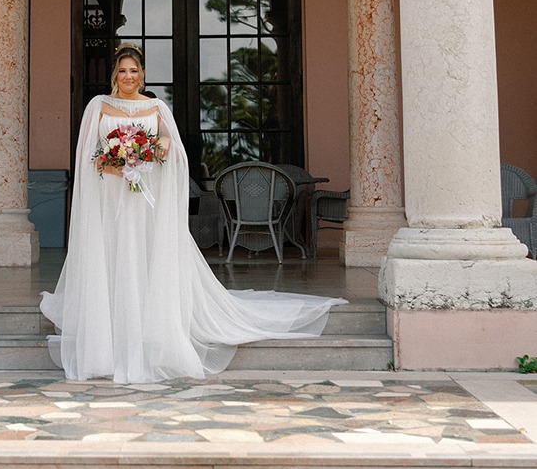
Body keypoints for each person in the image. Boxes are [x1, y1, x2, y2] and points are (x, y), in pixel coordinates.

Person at [40, 43, 347, 384]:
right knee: (112, 255)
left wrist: (160, 148)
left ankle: (148, 326)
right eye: (123, 71)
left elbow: (175, 153)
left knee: (144, 255)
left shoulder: (157, 108)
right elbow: (90, 158)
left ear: (142, 75)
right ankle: (108, 335)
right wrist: (119, 166)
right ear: (115, 74)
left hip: (145, 199)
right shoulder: (98, 107)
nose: (128, 76)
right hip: (110, 198)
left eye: (134, 71)